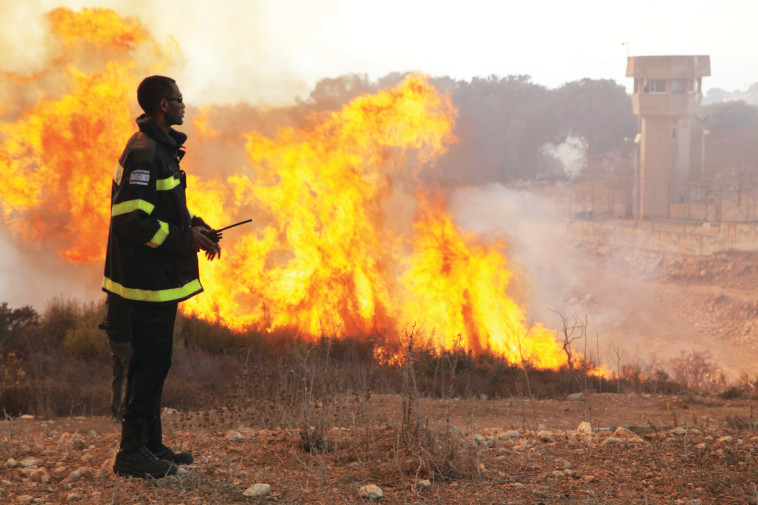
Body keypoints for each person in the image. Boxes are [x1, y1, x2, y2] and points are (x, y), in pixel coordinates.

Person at [102, 75, 221, 479]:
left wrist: (196, 227)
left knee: (154, 362)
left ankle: (150, 444)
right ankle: (131, 453)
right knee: (150, 364)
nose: (185, 105)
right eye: (178, 99)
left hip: (155, 278)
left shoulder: (161, 150)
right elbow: (131, 218)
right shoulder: (145, 151)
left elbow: (166, 206)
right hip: (145, 281)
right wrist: (184, 241)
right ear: (162, 106)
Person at [98, 296, 131, 420]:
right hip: (125, 340)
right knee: (130, 377)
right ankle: (123, 412)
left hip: (113, 338)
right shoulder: (129, 291)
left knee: (117, 377)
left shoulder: (113, 290)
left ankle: (115, 410)